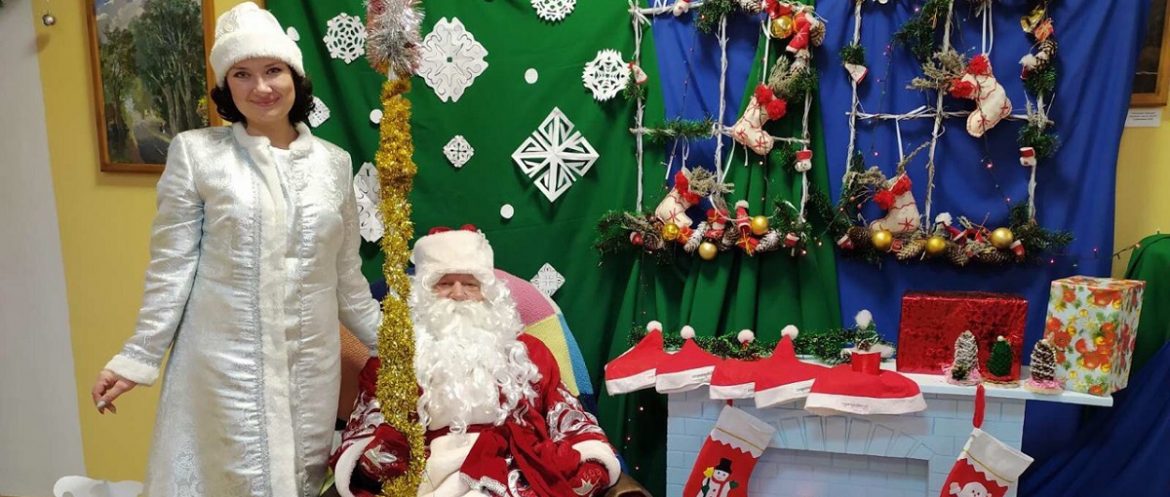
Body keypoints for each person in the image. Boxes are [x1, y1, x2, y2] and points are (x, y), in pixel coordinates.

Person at [89, 3, 381, 497]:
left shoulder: (334, 164)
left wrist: (396, 348)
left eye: (273, 70)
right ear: (227, 86)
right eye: (242, 74)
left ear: (295, 77)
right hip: (222, 369)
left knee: (301, 479)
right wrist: (137, 357)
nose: (261, 87)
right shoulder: (197, 154)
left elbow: (347, 279)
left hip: (311, 369)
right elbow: (172, 268)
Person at [329, 227, 622, 497]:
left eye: (470, 283)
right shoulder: (393, 361)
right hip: (427, 478)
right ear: (422, 293)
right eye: (444, 283)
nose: (458, 294)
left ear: (489, 293)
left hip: (516, 474)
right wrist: (387, 451)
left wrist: (592, 461)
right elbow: (364, 435)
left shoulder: (528, 354)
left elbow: (568, 416)